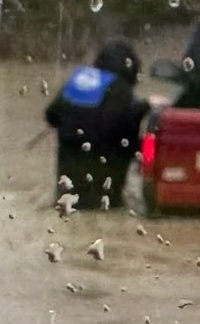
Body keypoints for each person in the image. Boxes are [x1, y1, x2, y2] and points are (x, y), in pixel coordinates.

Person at [44, 39, 148, 209]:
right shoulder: (120, 88)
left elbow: (51, 116)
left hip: (67, 190)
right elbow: (123, 129)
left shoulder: (78, 80)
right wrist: (146, 107)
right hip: (104, 191)